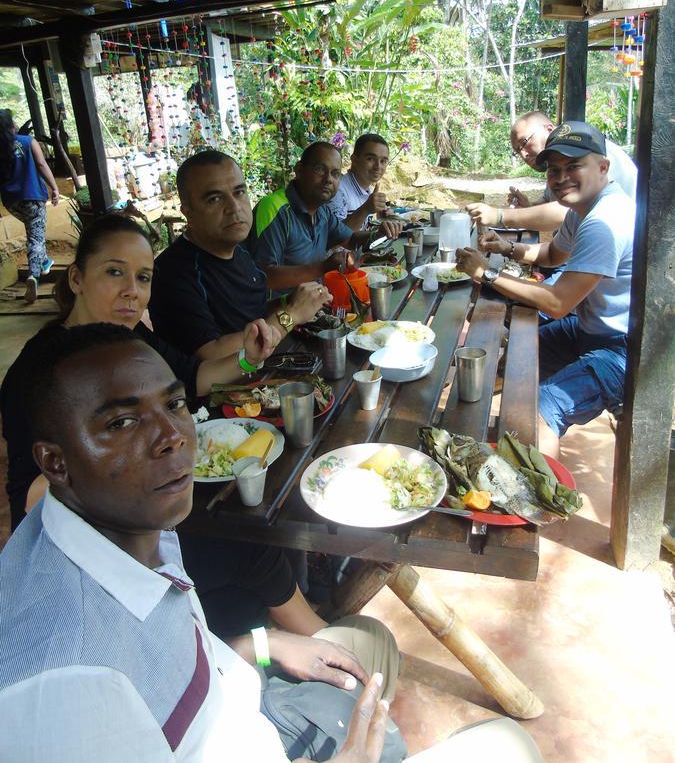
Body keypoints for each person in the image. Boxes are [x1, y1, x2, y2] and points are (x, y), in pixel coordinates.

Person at [0, 324, 543, 762]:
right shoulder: (66, 687)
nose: (171, 437)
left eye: (174, 405)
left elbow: (174, 664)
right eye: (120, 422)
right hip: (248, 732)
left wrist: (267, 646)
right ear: (55, 462)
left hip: (240, 703)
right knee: (510, 746)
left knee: (371, 648)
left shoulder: (120, 530)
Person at [0, 214, 325, 641]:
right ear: (77, 278)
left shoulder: (129, 342)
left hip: (145, 518)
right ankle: (325, 643)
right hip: (93, 548)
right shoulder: (39, 373)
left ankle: (258, 641)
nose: (131, 292)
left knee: (247, 555)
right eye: (114, 272)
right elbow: (29, 500)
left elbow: (194, 376)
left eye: (144, 277)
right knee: (249, 543)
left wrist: (248, 358)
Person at [455, 122, 634, 460]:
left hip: (623, 349)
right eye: (554, 170)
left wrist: (486, 272)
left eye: (573, 167)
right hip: (591, 329)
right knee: (513, 351)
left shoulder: (604, 221)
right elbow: (553, 254)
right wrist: (507, 248)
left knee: (537, 412)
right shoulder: (585, 208)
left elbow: (556, 303)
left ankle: (535, 508)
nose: (561, 176)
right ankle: (471, 433)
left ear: (603, 167)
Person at [149, 150, 329, 358]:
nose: (234, 207)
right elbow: (211, 355)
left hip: (265, 370)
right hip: (224, 388)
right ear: (187, 212)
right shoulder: (174, 272)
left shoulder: (238, 252)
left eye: (239, 192)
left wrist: (293, 301)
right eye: (214, 199)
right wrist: (291, 314)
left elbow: (254, 313)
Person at [249, 141, 401, 292]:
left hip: (316, 301)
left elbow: (350, 240)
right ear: (299, 170)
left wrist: (379, 234)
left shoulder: (321, 211)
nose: (328, 179)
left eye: (335, 174)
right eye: (320, 169)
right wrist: (321, 268)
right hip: (281, 312)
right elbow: (262, 276)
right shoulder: (273, 208)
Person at [465, 110, 637, 233]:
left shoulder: (591, 152)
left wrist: (500, 216)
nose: (523, 154)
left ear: (548, 129)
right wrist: (529, 207)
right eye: (517, 151)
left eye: (525, 142)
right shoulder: (557, 163)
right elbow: (553, 203)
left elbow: (566, 212)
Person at [0, 108, 60, 303]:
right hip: (32, 197)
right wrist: (54, 187)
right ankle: (33, 276)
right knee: (35, 237)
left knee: (35, 233)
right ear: (12, 126)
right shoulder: (28, 141)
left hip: (11, 201)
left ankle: (43, 261)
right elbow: (42, 165)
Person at [328, 133, 391, 231]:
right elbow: (335, 236)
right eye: (370, 159)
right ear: (354, 160)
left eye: (383, 161)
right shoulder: (337, 190)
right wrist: (365, 209)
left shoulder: (367, 191)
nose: (378, 166)